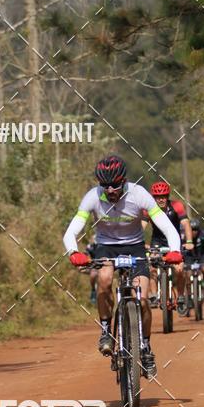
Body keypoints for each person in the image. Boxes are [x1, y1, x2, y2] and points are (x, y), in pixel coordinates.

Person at [63, 155, 182, 379]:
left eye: (115, 186)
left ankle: (145, 347)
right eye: (105, 186)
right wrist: (74, 252)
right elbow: (72, 231)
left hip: (135, 247)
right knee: (105, 279)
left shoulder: (139, 195)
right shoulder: (92, 197)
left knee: (144, 298)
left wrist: (175, 250)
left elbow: (165, 225)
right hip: (105, 247)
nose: (110, 190)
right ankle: (107, 331)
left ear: (124, 181)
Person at [145, 181, 193, 315]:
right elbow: (141, 226)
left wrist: (189, 241)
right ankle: (154, 295)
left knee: (179, 268)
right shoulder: (149, 209)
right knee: (152, 267)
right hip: (157, 242)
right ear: (153, 197)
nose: (161, 199)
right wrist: (139, 242)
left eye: (164, 196)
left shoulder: (177, 206)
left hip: (174, 241)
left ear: (168, 196)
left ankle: (181, 296)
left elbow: (186, 223)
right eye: (157, 196)